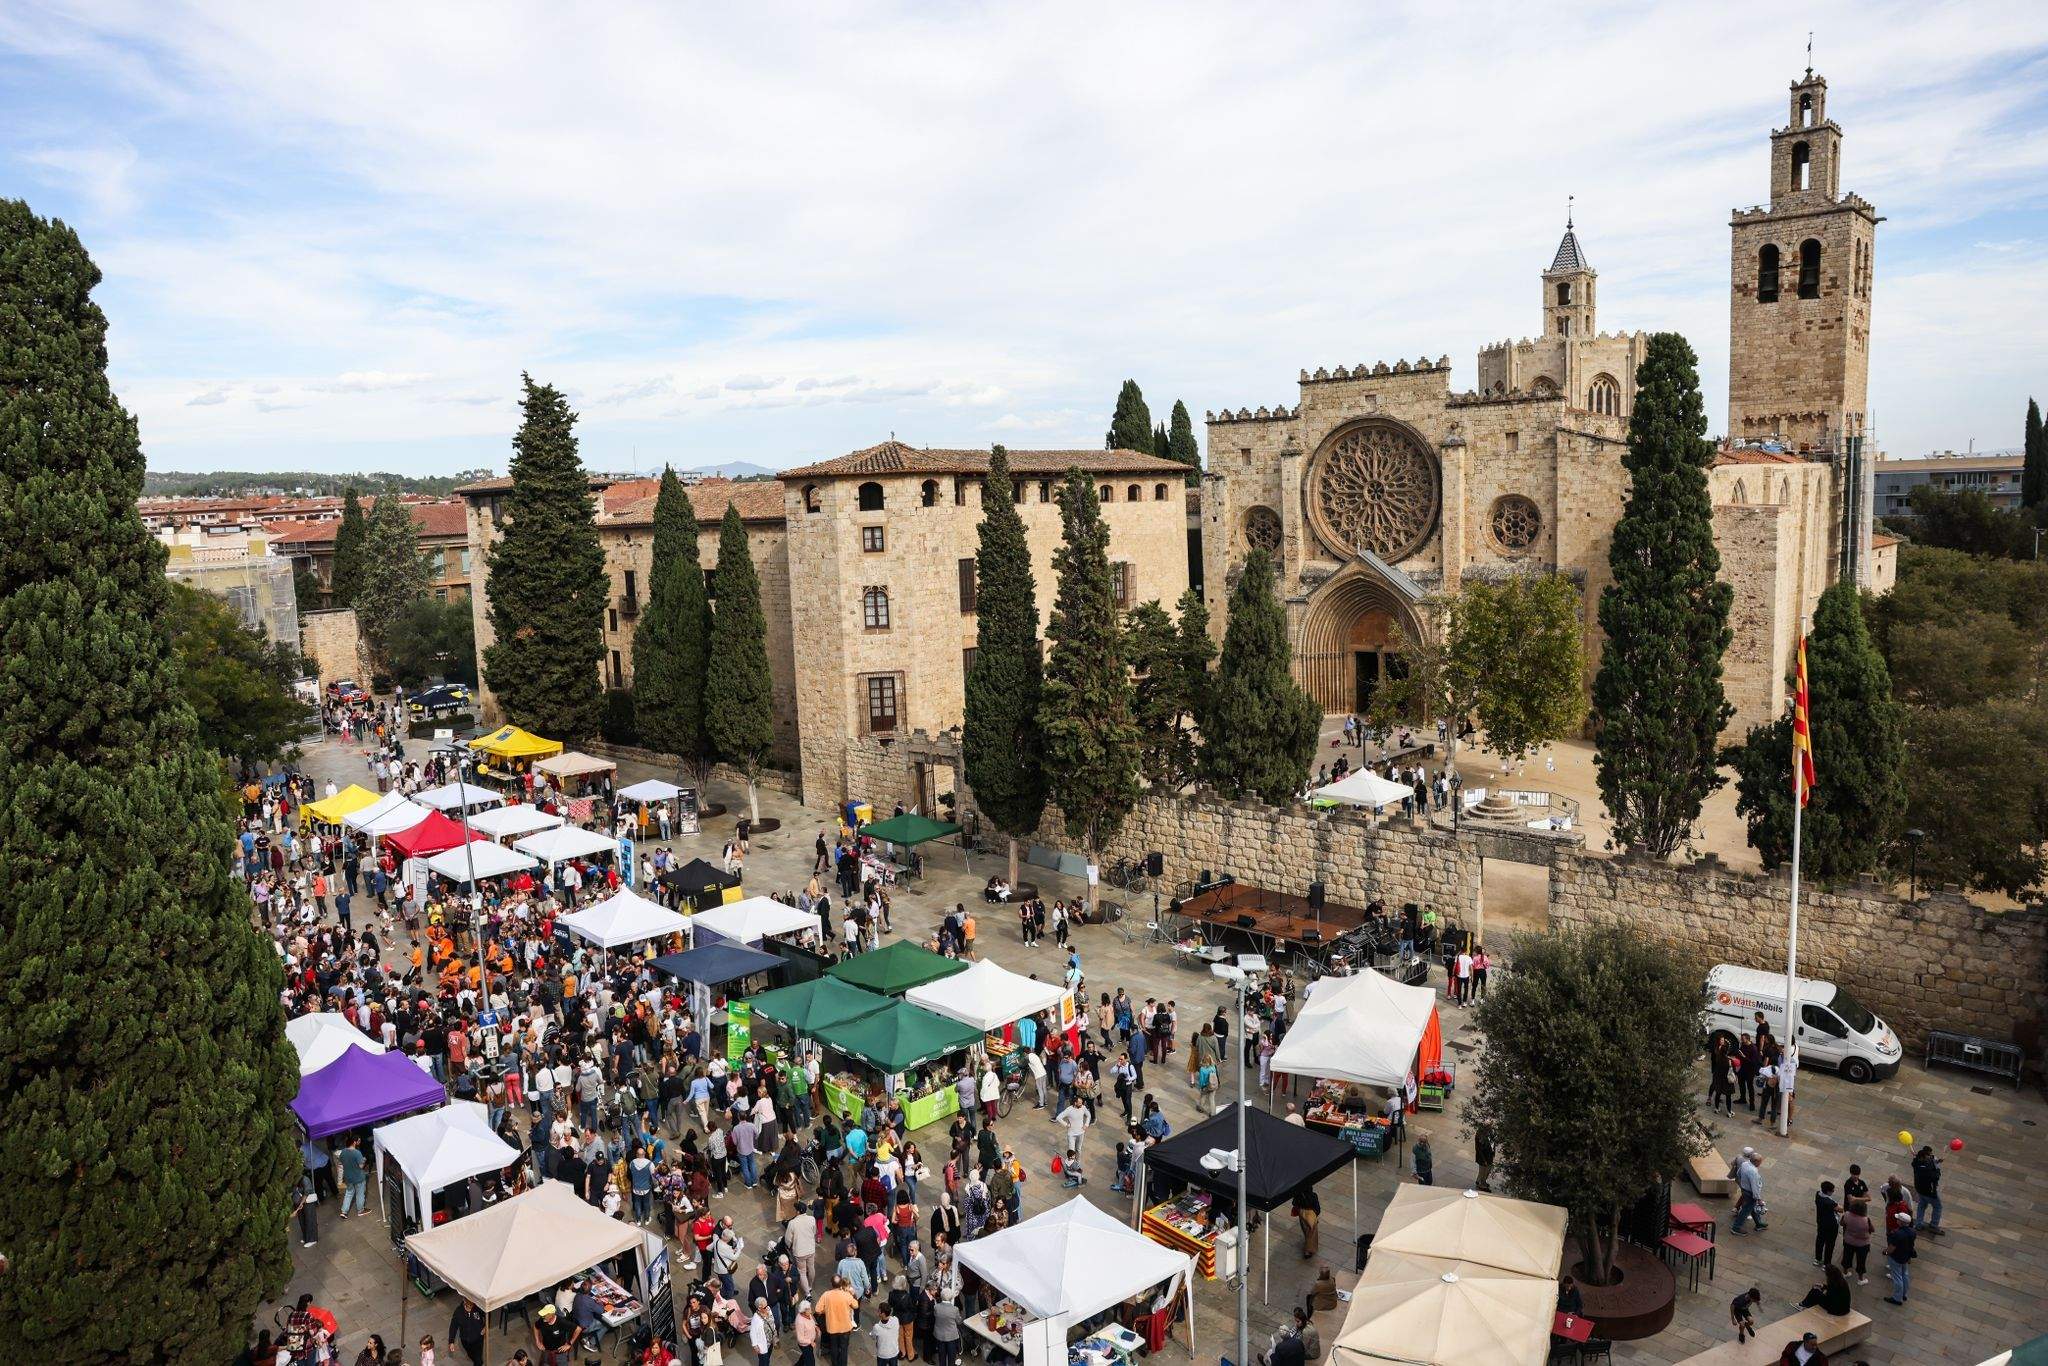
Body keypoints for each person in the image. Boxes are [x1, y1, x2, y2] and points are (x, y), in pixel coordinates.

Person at [1838, 1199, 1874, 1285]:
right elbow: (1872, 1229)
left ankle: (1845, 1272)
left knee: (1847, 1257)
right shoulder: (1866, 1220)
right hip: (1863, 1244)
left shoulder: (1846, 1215)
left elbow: (1842, 1223)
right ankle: (1860, 1279)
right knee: (1861, 1260)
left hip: (1848, 1240)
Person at [1910, 1145, 1944, 1236]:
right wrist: (1937, 1168)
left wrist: (1935, 1161)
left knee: (1922, 1204)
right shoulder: (1927, 1169)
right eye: (1928, 1155)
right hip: (1929, 1191)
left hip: (1919, 1188)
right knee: (1938, 1207)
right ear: (1924, 1157)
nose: (1930, 1156)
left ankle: (1919, 1224)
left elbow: (1916, 1159)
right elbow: (1936, 1177)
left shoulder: (1916, 1163)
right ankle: (1933, 1225)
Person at [1732, 1148, 1768, 1234]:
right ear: (1756, 1162)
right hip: (1750, 1193)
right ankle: (1736, 1228)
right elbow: (1754, 1187)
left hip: (1744, 1190)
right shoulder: (1752, 1172)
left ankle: (1759, 1224)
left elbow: (1738, 1173)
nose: (1761, 1163)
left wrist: (1742, 1184)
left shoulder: (1745, 1164)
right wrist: (1759, 1199)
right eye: (1760, 1162)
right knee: (1745, 1210)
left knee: (1751, 1207)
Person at [1883, 1211, 1916, 1305]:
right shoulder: (1912, 1232)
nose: (1897, 1220)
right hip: (1905, 1256)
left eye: (1898, 1219)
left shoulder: (1898, 1234)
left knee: (1897, 1277)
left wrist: (1885, 1252)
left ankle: (1897, 1298)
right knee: (1905, 1275)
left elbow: (1891, 1249)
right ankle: (1904, 1294)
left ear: (1901, 1222)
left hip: (1896, 1257)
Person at [1813, 1179, 1840, 1267]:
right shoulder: (1829, 1202)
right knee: (1830, 1244)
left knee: (1820, 1241)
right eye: (1832, 1191)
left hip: (1821, 1222)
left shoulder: (1818, 1194)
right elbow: (1840, 1209)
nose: (1833, 1192)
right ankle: (1826, 1263)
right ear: (1828, 1191)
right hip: (1831, 1225)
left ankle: (1818, 1259)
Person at [1293, 1186, 1322, 1259]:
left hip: (1302, 1213)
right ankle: (1309, 1250)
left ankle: (1308, 1249)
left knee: (1306, 1230)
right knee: (1311, 1232)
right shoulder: (1313, 1196)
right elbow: (1317, 1208)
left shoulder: (1298, 1195)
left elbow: (1294, 1203)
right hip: (1311, 1214)